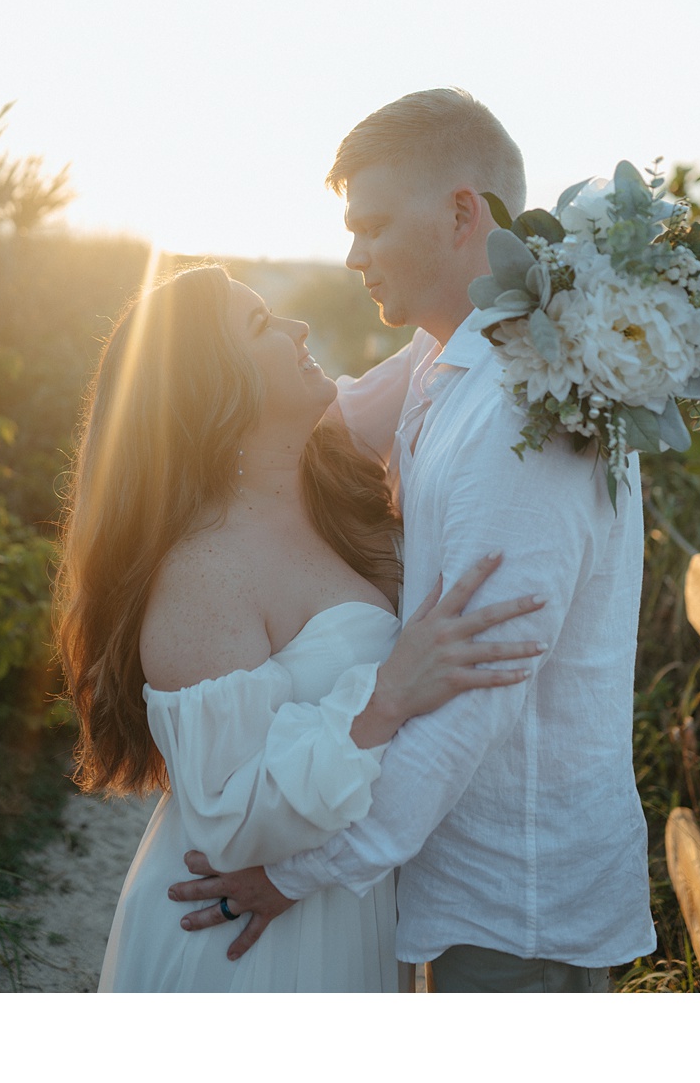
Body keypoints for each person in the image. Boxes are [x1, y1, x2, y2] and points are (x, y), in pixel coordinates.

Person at [169, 89, 657, 993]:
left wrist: (288, 878)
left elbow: (474, 696)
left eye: (374, 225)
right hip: (460, 887)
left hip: (517, 908)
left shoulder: (525, 412)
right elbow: (331, 413)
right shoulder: (450, 362)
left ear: (462, 212)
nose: (353, 257)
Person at [55, 262, 546, 992]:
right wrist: (385, 697)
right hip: (248, 948)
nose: (299, 326)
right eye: (261, 325)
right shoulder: (203, 572)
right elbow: (234, 818)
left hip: (343, 909)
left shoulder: (333, 472)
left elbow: (438, 343)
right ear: (215, 389)